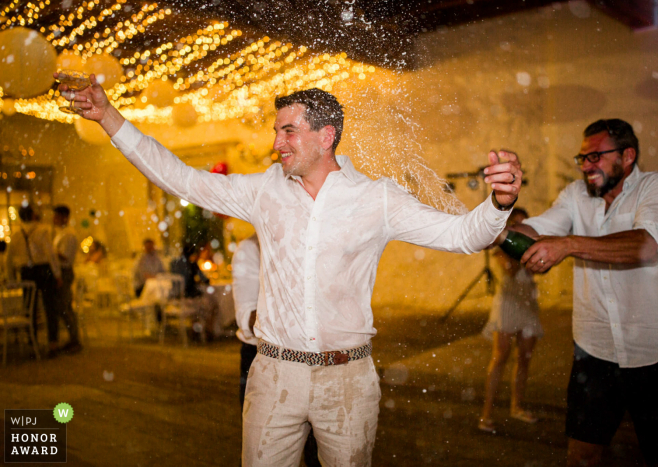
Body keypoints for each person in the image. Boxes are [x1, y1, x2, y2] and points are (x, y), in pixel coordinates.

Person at [60, 74, 522, 466]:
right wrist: (109, 118)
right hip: (274, 376)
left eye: (288, 131)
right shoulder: (265, 191)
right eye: (277, 131)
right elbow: (181, 177)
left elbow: (462, 235)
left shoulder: (376, 199)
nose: (276, 143)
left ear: (327, 136)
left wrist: (500, 203)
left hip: (347, 381)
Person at [513, 119, 658, 467]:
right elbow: (532, 232)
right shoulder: (576, 196)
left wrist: (568, 245)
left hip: (654, 354)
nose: (586, 166)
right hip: (593, 353)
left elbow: (647, 246)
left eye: (596, 157)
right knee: (582, 455)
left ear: (628, 155)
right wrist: (497, 210)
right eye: (582, 158)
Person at [232, 233, 320, 467]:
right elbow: (249, 317)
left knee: (318, 453)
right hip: (264, 360)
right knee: (267, 452)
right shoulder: (251, 249)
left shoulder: (311, 241)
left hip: (316, 362)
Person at [479, 207, 542, 433]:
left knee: (524, 358)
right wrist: (515, 248)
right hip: (507, 303)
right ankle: (486, 414)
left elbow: (538, 269)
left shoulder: (532, 245)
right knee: (500, 357)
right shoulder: (501, 247)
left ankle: (517, 407)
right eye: (517, 225)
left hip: (527, 302)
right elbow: (510, 271)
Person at [6, 204, 63, 358]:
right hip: (44, 270)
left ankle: (33, 342)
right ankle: (53, 343)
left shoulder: (16, 234)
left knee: (29, 308)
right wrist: (57, 274)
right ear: (32, 215)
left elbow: (9, 259)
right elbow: (50, 254)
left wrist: (11, 279)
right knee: (49, 307)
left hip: (26, 272)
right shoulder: (41, 230)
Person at [52, 205, 82, 354]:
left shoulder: (69, 234)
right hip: (62, 271)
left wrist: (50, 252)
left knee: (65, 307)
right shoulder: (62, 233)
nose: (54, 219)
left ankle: (74, 339)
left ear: (64, 217)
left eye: (56, 216)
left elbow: (65, 257)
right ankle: (72, 339)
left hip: (64, 271)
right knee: (63, 306)